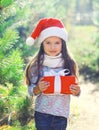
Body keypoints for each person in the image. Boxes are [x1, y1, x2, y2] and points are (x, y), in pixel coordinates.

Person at [25, 18, 80, 130]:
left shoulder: (69, 63)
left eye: (57, 43)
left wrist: (77, 91)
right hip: (42, 113)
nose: (53, 47)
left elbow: (75, 87)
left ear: (63, 44)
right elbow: (30, 90)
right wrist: (38, 88)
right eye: (48, 42)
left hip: (61, 114)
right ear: (42, 44)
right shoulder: (37, 65)